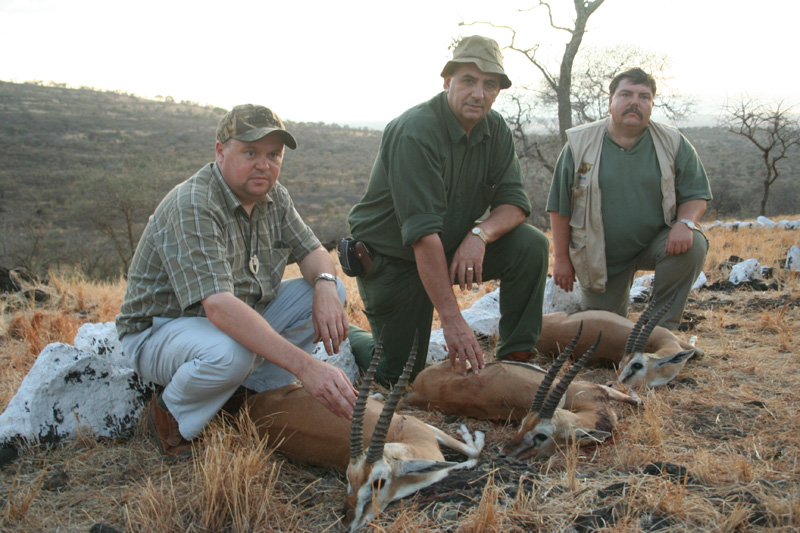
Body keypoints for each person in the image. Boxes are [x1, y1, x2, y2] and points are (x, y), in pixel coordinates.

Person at [116, 104, 357, 457]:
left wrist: (323, 284)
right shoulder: (195, 204)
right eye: (250, 152)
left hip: (231, 320)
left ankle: (248, 400)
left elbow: (314, 252)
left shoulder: (274, 196)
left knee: (330, 288)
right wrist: (307, 368)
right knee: (230, 353)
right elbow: (219, 308)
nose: (264, 164)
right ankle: (172, 419)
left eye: (274, 154)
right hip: (162, 330)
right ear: (220, 152)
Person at [346, 35, 550, 386]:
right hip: (394, 261)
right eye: (468, 81)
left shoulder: (495, 128)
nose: (478, 93)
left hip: (450, 248)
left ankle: (516, 359)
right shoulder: (415, 132)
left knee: (530, 245)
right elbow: (423, 237)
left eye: (489, 84)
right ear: (447, 82)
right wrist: (453, 321)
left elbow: (515, 204)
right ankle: (347, 335)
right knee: (401, 378)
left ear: (498, 91)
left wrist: (480, 235)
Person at [547, 67, 712, 330]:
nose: (635, 102)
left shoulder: (672, 141)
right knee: (601, 335)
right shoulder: (580, 144)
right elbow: (559, 207)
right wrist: (562, 260)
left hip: (657, 243)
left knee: (694, 245)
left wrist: (685, 223)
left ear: (652, 104)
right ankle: (619, 326)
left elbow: (696, 194)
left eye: (644, 97)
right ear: (610, 100)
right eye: (626, 94)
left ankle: (658, 331)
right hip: (600, 257)